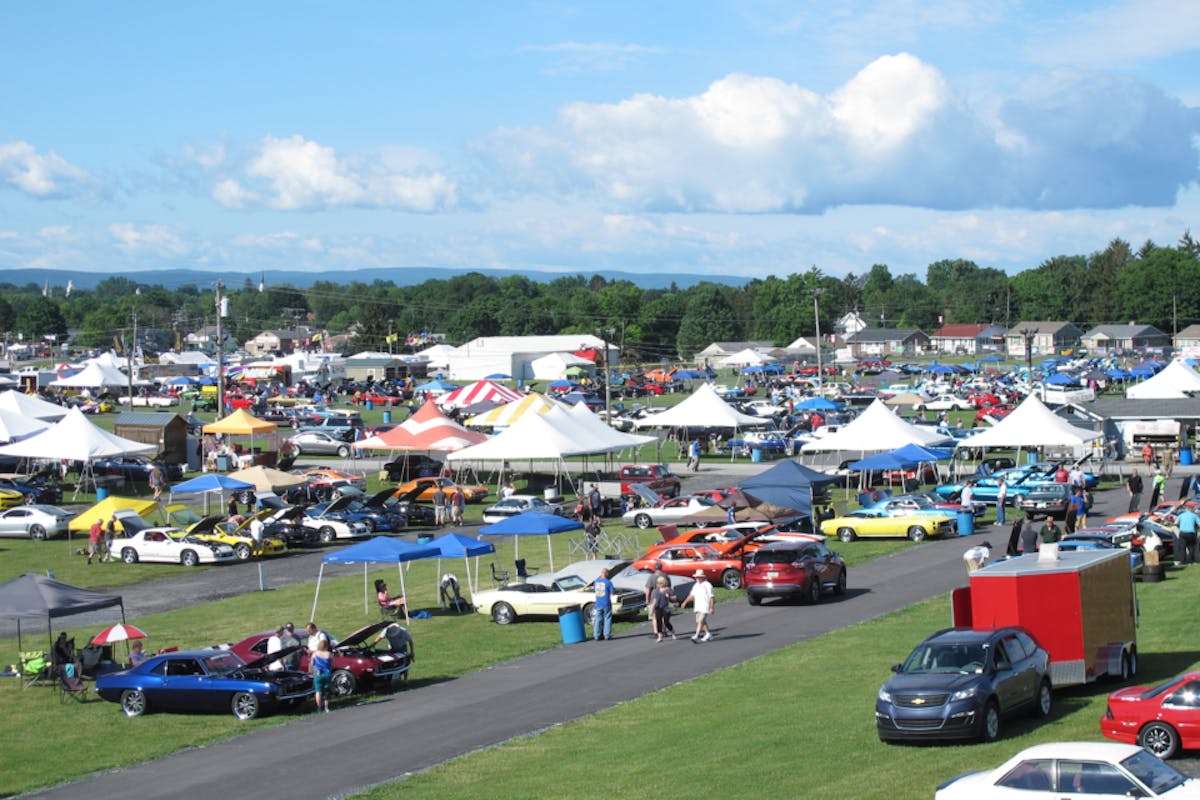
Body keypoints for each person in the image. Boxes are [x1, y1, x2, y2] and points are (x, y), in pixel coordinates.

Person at [680, 569, 714, 643]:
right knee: (701, 621)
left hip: (705, 606)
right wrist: (685, 602)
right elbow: (692, 595)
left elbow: (711, 597)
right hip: (698, 606)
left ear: (703, 577)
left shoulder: (707, 585)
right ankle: (708, 634)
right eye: (697, 577)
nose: (697, 578)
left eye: (699, 577)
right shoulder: (696, 585)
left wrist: (711, 607)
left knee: (700, 621)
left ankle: (696, 635)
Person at [650, 575, 677, 642]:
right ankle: (660, 636)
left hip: (666, 607)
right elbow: (655, 600)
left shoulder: (668, 589)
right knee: (659, 622)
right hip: (658, 607)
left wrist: (669, 597)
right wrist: (651, 609)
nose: (659, 584)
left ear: (664, 583)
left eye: (661, 583)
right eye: (658, 583)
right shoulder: (656, 591)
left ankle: (672, 632)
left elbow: (675, 598)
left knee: (666, 622)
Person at [310, 636, 333, 713]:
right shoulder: (329, 654)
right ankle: (326, 707)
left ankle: (319, 707)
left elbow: (312, 663)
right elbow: (331, 665)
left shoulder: (315, 653)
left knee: (318, 691)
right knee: (326, 690)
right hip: (327, 673)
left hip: (318, 673)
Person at [592, 567, 615, 641]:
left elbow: (594, 590)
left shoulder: (596, 582)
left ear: (601, 573)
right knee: (607, 618)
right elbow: (612, 592)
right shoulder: (608, 582)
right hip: (606, 603)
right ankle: (607, 635)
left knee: (598, 619)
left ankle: (596, 635)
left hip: (598, 603)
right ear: (607, 573)